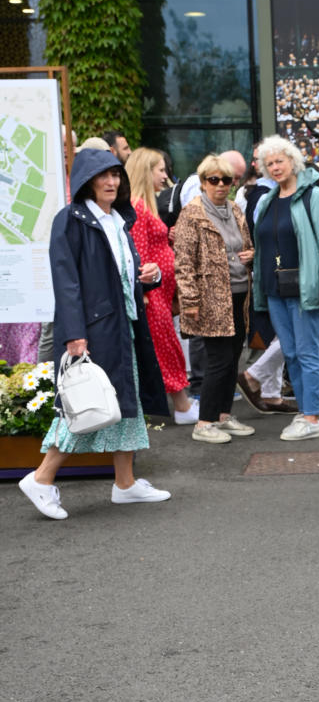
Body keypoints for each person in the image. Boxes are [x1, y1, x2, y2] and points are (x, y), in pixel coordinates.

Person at [18, 147, 171, 520]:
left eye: (115, 175)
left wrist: (149, 277)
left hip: (123, 327)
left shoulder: (117, 219)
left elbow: (117, 277)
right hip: (95, 330)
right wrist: (74, 333)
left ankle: (125, 483)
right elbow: (66, 281)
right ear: (86, 181)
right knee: (87, 404)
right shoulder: (71, 218)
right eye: (103, 176)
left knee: (125, 404)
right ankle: (41, 477)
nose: (111, 181)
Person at [252, 135, 319, 440]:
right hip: (275, 288)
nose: (275, 167)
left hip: (306, 288)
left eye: (280, 160)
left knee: (307, 352)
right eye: (269, 163)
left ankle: (312, 417)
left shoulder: (312, 196)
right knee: (290, 353)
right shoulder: (266, 200)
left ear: (293, 161)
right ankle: (304, 412)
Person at [174, 155, 256, 444]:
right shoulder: (192, 214)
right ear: (203, 182)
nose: (221, 185)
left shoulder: (234, 210)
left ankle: (223, 415)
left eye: (227, 180)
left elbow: (245, 246)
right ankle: (205, 421)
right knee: (218, 359)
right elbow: (183, 262)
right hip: (209, 298)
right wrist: (190, 301)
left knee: (233, 357)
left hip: (238, 294)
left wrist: (250, 255)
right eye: (214, 180)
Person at [126, 147, 198, 425]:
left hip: (158, 292)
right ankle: (181, 405)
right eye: (160, 170)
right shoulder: (137, 206)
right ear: (146, 171)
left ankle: (181, 404)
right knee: (165, 347)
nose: (165, 176)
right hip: (152, 293)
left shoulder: (143, 204)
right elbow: (140, 254)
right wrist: (143, 294)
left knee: (166, 345)